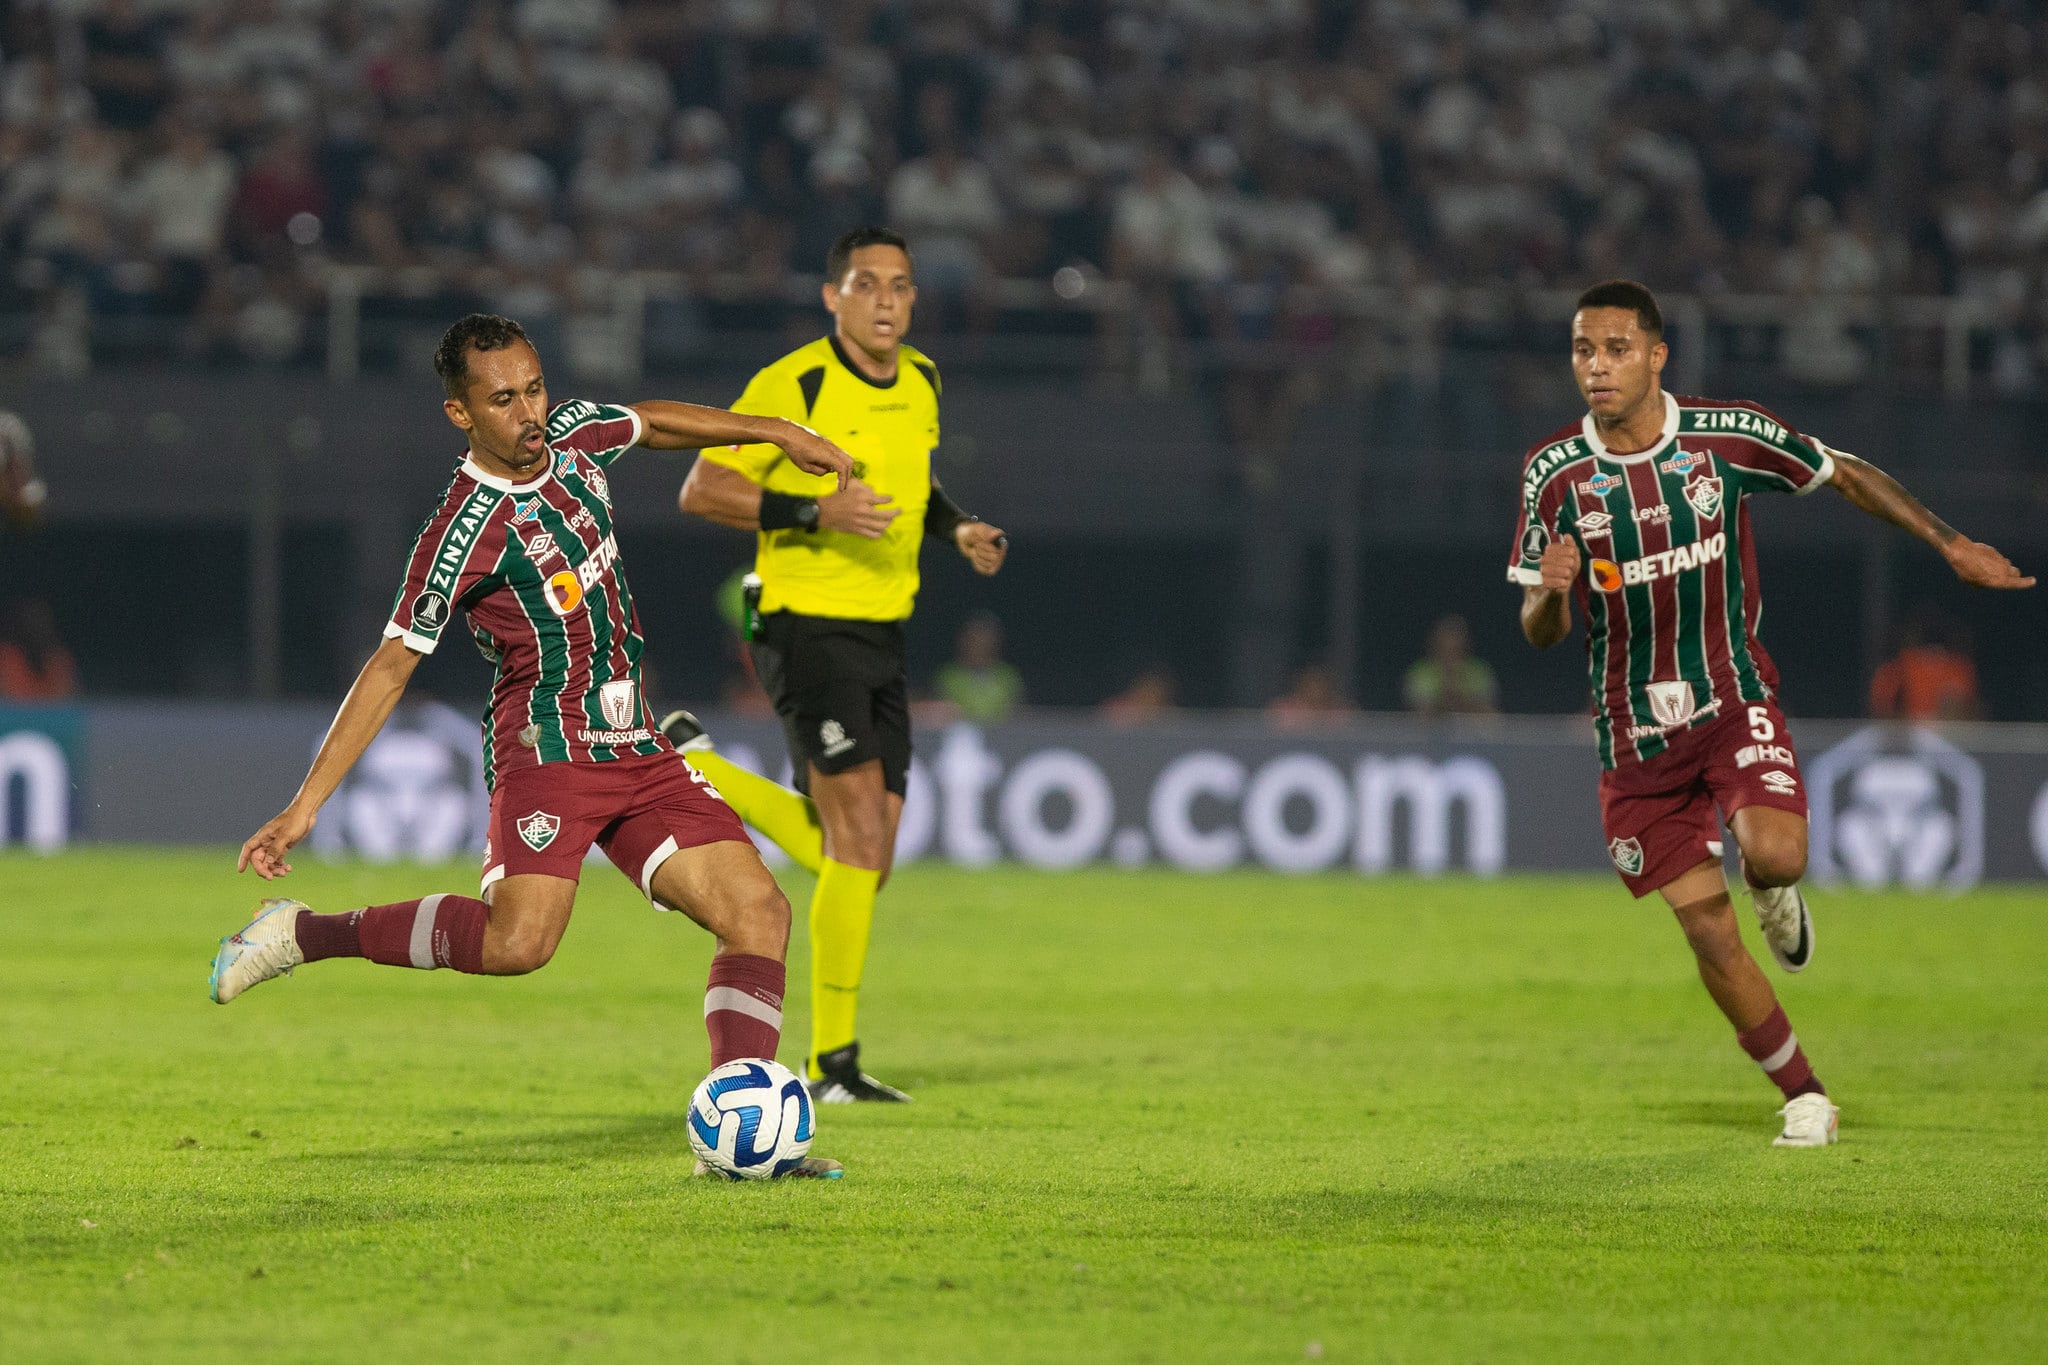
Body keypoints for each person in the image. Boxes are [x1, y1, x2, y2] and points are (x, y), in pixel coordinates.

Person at [209, 314, 856, 1179]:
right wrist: (303, 806)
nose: (530, 413)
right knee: (520, 945)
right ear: (461, 414)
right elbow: (391, 665)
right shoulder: (461, 531)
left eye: (535, 388)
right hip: (547, 750)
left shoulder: (577, 440)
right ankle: (300, 934)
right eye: (504, 399)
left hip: (638, 742)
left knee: (758, 914)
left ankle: (737, 1140)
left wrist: (773, 430)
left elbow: (653, 422)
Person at [1509, 280, 2032, 1149]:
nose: (1596, 368)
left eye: (1615, 349)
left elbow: (1844, 473)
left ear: (1656, 354)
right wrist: (1552, 596)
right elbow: (1539, 631)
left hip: (1730, 695)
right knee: (1708, 937)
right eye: (1582, 350)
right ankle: (1804, 1094)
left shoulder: (1725, 437)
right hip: (1633, 738)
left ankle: (1772, 889)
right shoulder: (1553, 476)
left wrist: (1948, 542)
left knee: (1777, 852)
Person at [664, 227, 1008, 1105]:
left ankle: (695, 768)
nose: (886, 300)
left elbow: (911, 485)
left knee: (867, 859)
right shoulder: (795, 384)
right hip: (803, 622)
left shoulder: (923, 379)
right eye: (866, 283)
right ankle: (832, 1064)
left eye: (900, 285)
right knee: (854, 842)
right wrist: (814, 510)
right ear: (833, 297)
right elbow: (701, 490)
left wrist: (955, 527)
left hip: (885, 628)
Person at [1869, 608, 1983, 722]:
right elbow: (1882, 709)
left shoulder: (1959, 667)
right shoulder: (1899, 667)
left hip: (1949, 731)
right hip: (1906, 731)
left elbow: (1972, 712)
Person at [933, 611, 1022, 725]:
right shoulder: (949, 675)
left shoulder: (1008, 676)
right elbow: (940, 714)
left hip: (1001, 738)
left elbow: (1015, 714)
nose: (979, 647)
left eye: (985, 641)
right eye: (974, 640)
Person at [1403, 615, 1499, 716]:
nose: (1451, 649)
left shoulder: (1478, 670)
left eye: (1456, 647)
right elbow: (1417, 713)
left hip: (1469, 730)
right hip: (1431, 731)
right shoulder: (1420, 671)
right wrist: (1445, 697)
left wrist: (1460, 699)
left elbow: (1489, 712)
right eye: (1445, 645)